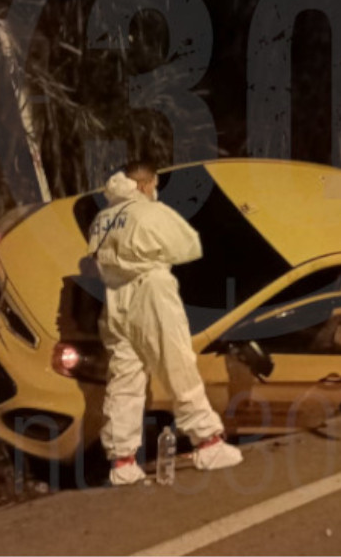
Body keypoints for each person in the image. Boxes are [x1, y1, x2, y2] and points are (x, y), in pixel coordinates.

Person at [88, 160, 243, 485]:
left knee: (124, 378)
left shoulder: (102, 219)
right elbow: (188, 246)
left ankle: (122, 462)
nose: (155, 191)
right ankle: (208, 443)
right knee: (178, 365)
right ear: (145, 184)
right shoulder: (149, 212)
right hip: (152, 292)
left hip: (115, 299)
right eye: (154, 185)